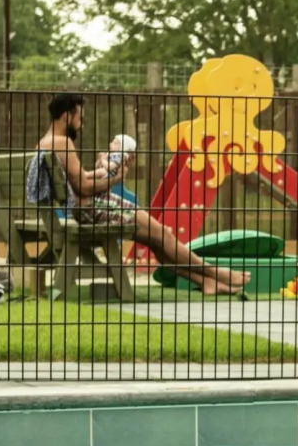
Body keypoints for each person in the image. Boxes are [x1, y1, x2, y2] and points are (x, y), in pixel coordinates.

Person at [34, 93, 250, 297]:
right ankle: (214, 272)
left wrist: (106, 173)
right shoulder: (62, 142)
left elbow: (79, 180)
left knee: (160, 237)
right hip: (92, 208)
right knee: (163, 235)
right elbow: (84, 189)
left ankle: (205, 281)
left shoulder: (45, 142)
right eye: (79, 116)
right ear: (66, 115)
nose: (82, 121)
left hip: (90, 206)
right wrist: (117, 178)